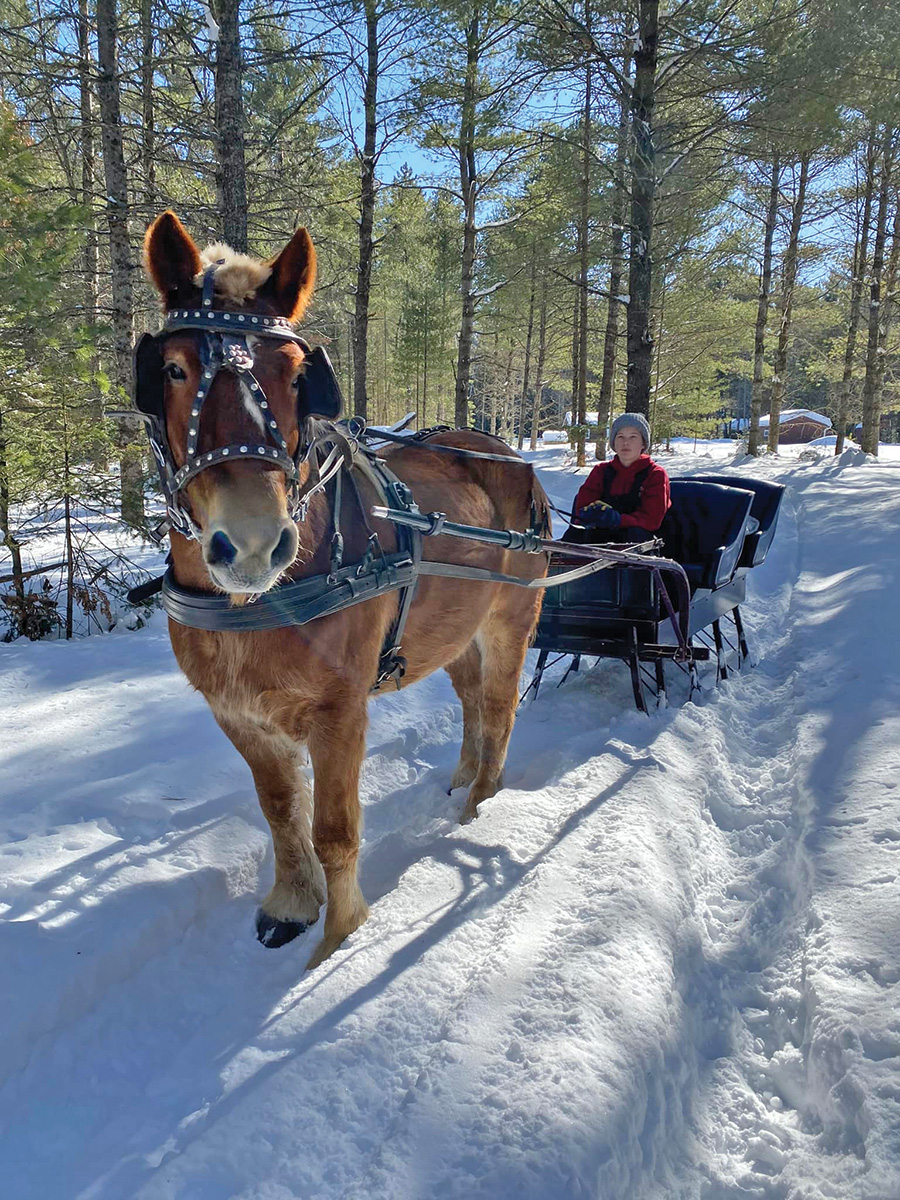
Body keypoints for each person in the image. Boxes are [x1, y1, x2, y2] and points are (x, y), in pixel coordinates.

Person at [566, 412, 670, 544]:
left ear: (643, 443)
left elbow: (652, 520)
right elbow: (583, 505)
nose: (626, 442)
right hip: (598, 537)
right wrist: (589, 514)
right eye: (620, 437)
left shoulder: (655, 474)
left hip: (637, 543)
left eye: (633, 437)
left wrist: (619, 520)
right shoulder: (600, 471)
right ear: (614, 443)